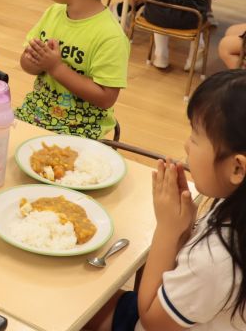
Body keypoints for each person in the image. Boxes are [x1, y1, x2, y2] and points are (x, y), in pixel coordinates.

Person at [85, 70, 246, 331]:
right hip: (177, 308)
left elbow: (151, 321)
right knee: (89, 302)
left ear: (237, 168)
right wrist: (185, 229)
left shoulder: (216, 259)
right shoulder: (233, 206)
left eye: (195, 136)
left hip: (154, 319)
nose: (186, 145)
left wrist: (168, 229)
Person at [15, 0, 129, 139]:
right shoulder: (54, 13)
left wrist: (56, 67)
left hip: (82, 128)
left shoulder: (110, 37)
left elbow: (106, 98)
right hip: (38, 112)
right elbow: (26, 63)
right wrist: (34, 61)